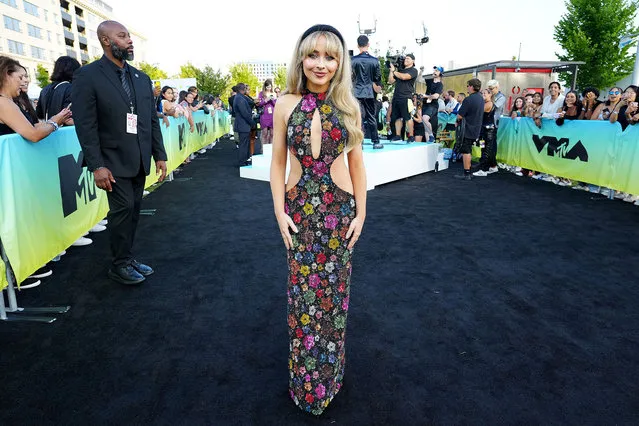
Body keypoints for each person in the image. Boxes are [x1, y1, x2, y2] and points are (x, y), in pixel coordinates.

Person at [269, 24, 366, 416]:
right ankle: (304, 383)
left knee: (333, 302)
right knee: (301, 300)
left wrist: (362, 213)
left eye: (330, 56)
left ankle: (329, 378)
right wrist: (278, 211)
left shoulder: (349, 107)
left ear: (340, 62)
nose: (320, 64)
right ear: (301, 58)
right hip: (299, 213)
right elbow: (277, 164)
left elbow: (357, 166)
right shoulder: (285, 104)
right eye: (313, 55)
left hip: (338, 213)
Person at [72, 20, 167, 286]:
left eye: (128, 36)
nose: (129, 40)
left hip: (138, 158)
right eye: (122, 36)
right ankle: (119, 264)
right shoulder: (87, 75)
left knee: (134, 209)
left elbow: (150, 120)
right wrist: (96, 165)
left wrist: (159, 154)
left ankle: (126, 257)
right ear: (106, 40)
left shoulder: (140, 77)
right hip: (110, 160)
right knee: (123, 209)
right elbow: (85, 124)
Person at [0, 56, 71, 139]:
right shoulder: (3, 102)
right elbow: (34, 134)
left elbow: (33, 126)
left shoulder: (8, 102)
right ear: (6, 75)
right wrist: (55, 121)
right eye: (20, 77)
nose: (24, 81)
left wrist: (56, 119)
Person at [351, 34, 383, 149]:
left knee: (357, 116)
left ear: (357, 45)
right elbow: (377, 78)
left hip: (356, 91)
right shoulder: (375, 61)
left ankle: (359, 142)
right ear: (368, 44)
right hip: (369, 92)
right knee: (371, 117)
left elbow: (350, 77)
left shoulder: (353, 60)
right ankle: (376, 141)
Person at [455, 78, 484, 180]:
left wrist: (457, 121)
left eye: (468, 86)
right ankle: (469, 171)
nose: (467, 88)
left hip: (467, 129)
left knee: (466, 151)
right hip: (476, 128)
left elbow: (460, 116)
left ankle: (466, 173)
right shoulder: (481, 98)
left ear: (471, 86)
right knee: (469, 150)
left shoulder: (468, 99)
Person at [37, 56, 80, 124]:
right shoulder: (71, 88)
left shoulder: (45, 89)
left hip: (49, 130)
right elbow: (70, 117)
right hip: (68, 131)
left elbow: (39, 114)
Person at [388, 53, 418, 141]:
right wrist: (391, 70)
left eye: (408, 58)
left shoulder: (413, 70)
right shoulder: (400, 71)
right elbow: (390, 81)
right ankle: (398, 135)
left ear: (413, 61)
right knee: (396, 117)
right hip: (396, 97)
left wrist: (394, 71)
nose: (406, 60)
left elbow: (404, 77)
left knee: (407, 117)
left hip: (406, 97)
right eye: (405, 58)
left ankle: (411, 136)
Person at [473, 88, 497, 177]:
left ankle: (483, 169)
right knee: (484, 148)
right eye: (482, 93)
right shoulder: (485, 103)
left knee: (486, 150)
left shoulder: (489, 104)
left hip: (488, 131)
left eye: (484, 93)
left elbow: (477, 111)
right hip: (483, 131)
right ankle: (493, 166)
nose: (482, 95)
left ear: (490, 94)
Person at [422, 66, 444, 142]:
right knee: (425, 124)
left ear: (440, 73)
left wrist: (425, 96)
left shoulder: (440, 84)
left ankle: (431, 135)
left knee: (424, 119)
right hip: (425, 104)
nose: (434, 71)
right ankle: (429, 142)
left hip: (433, 105)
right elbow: (419, 80)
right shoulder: (430, 81)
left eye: (437, 70)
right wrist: (421, 71)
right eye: (434, 70)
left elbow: (436, 96)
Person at [233, 83, 253, 166]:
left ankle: (244, 160)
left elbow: (251, 103)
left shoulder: (239, 97)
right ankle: (242, 162)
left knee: (244, 144)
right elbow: (244, 113)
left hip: (242, 124)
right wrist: (252, 122)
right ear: (243, 89)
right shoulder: (239, 98)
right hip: (243, 124)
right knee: (243, 144)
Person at [258, 79, 277, 145]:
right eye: (267, 87)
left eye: (270, 87)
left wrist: (272, 100)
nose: (269, 88)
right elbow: (259, 104)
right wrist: (266, 100)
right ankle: (264, 149)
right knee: (264, 133)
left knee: (272, 133)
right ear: (265, 87)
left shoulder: (273, 94)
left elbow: (276, 105)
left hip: (272, 115)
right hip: (264, 115)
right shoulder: (261, 93)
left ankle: (271, 149)